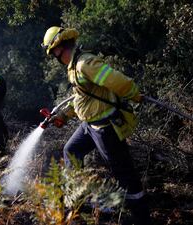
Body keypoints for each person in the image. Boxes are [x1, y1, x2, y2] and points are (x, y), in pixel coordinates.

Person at [41, 26, 150, 224]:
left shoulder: (85, 64)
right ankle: (78, 199)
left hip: (105, 127)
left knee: (123, 171)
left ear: (58, 48)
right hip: (88, 125)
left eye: (53, 52)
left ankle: (141, 216)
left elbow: (116, 80)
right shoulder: (73, 66)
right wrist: (65, 116)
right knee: (71, 151)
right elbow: (82, 98)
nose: (54, 57)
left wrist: (134, 93)